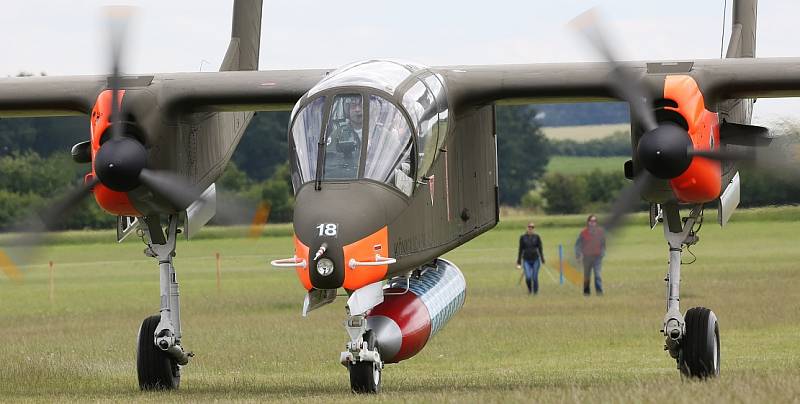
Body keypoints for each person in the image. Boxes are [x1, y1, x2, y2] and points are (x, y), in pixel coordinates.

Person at [575, 214, 606, 296]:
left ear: (596, 223)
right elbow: (577, 245)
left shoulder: (600, 232)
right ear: (588, 222)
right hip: (587, 258)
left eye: (594, 221)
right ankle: (586, 293)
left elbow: (603, 244)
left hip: (597, 258)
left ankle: (599, 293)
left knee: (597, 275)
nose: (593, 223)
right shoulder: (583, 233)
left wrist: (602, 254)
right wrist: (578, 255)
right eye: (591, 221)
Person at [516, 222, 545, 295]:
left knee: (534, 277)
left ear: (534, 229)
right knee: (528, 277)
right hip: (526, 260)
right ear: (527, 228)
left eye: (532, 227)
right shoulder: (523, 237)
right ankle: (529, 290)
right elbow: (520, 249)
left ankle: (535, 292)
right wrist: (519, 261)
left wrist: (542, 258)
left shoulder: (537, 237)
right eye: (529, 227)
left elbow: (540, 248)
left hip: (536, 260)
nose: (530, 229)